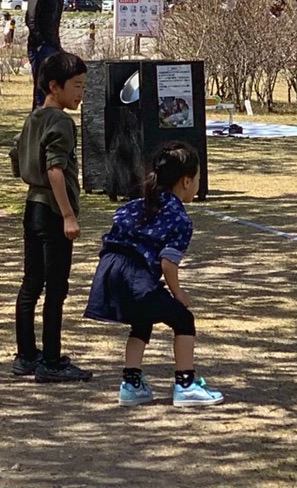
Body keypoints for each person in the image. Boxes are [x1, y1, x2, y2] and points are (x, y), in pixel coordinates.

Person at [84, 142, 224, 407]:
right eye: (198, 179)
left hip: (108, 272)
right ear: (186, 181)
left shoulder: (135, 205)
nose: (197, 184)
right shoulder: (180, 219)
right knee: (183, 319)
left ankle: (131, 384)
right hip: (136, 276)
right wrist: (178, 293)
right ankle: (185, 384)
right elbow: (168, 263)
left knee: (142, 319)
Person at [11, 50, 91, 383]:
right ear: (54, 87)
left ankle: (26, 355)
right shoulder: (60, 121)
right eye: (75, 86)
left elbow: (16, 159)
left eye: (84, 86)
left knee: (31, 283)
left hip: (32, 207)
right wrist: (68, 216)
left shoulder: (33, 118)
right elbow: (56, 169)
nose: (80, 94)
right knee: (56, 288)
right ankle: (52, 361)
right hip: (53, 209)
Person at [25, 0, 67, 108]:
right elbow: (30, 18)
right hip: (40, 45)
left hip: (53, 44)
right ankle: (37, 121)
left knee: (53, 85)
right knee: (42, 85)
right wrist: (39, 42)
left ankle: (48, 119)